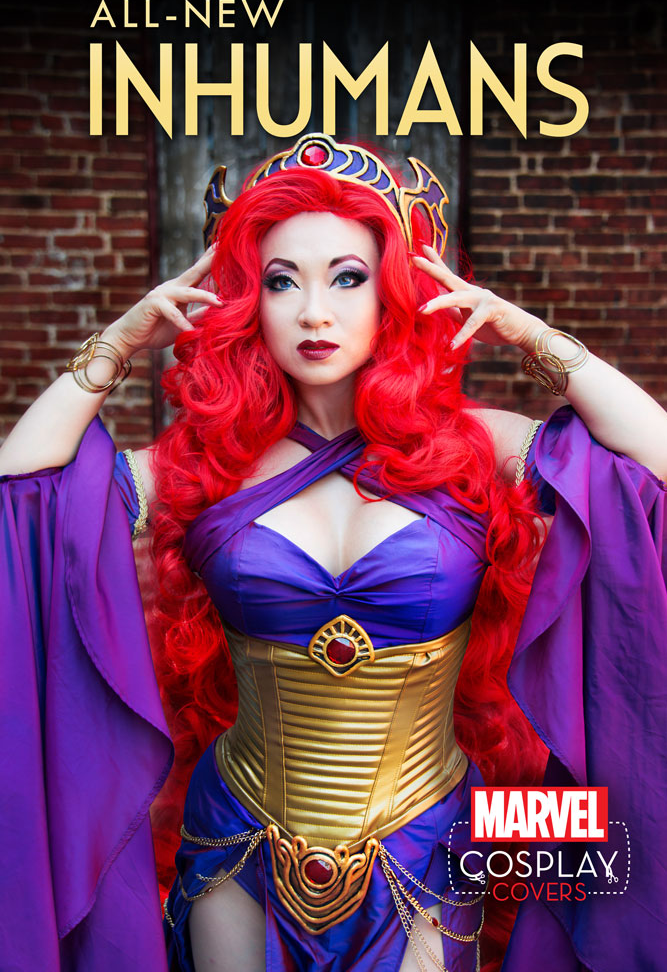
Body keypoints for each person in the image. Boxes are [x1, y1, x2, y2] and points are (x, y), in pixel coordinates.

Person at [0, 134, 665, 972]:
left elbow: (653, 466)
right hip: (240, 838)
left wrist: (528, 333)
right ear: (247, 301)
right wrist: (120, 341)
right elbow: (21, 494)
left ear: (396, 293)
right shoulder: (202, 462)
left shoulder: (476, 445)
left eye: (348, 277)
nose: (314, 312)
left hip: (434, 839)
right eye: (281, 281)